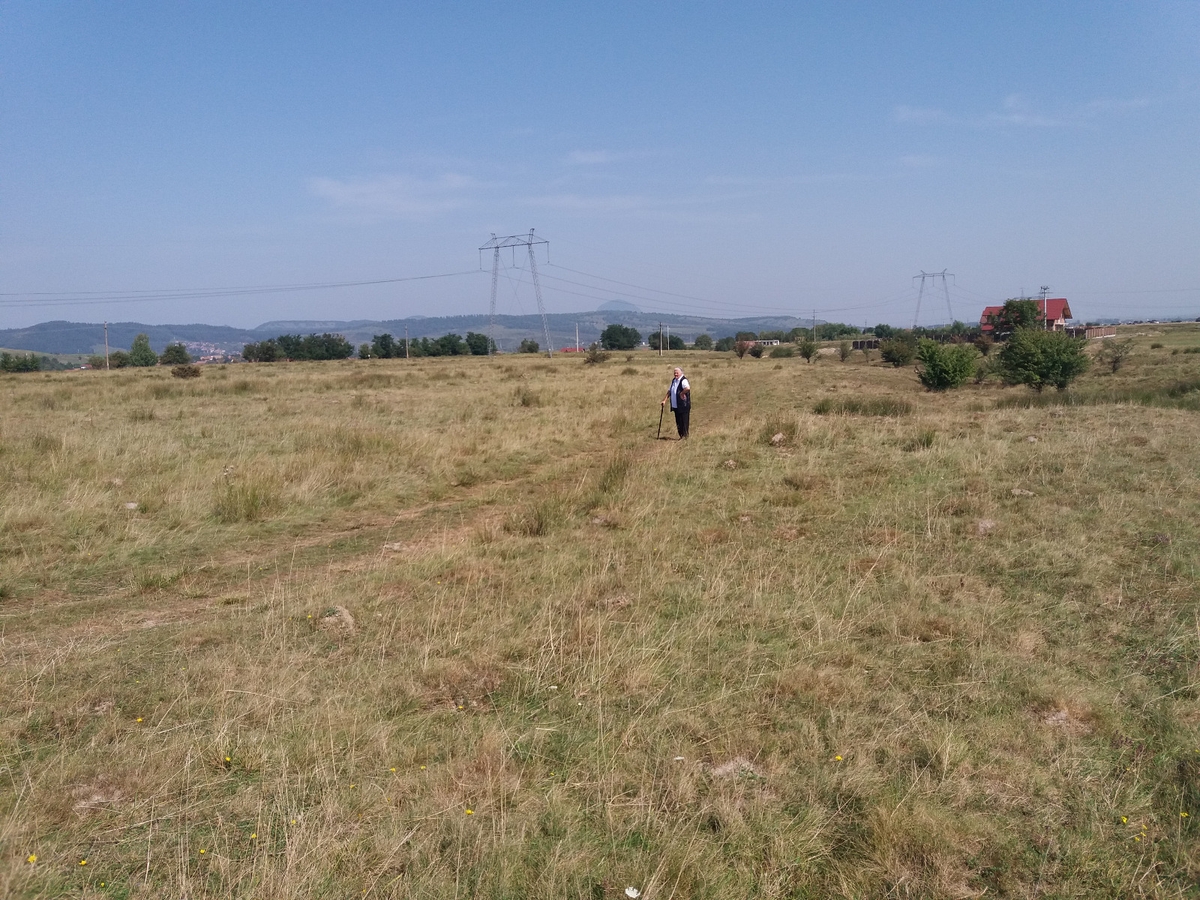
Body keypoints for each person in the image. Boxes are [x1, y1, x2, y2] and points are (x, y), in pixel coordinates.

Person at [661, 367, 691, 439]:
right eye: (674, 373)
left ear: (681, 373)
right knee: (678, 421)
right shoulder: (674, 380)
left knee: (684, 421)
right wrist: (664, 400)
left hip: (683, 405)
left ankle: (685, 437)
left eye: (677, 373)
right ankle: (681, 436)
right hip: (676, 405)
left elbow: (687, 388)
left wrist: (682, 393)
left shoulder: (683, 380)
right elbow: (669, 391)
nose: (675, 374)